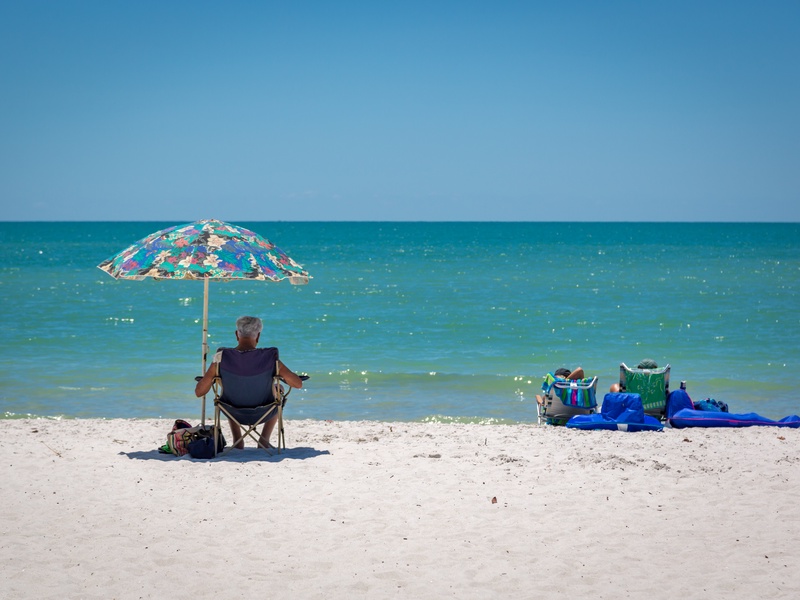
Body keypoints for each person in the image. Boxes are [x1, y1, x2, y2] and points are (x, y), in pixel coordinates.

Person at [195, 315, 303, 449]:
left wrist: (210, 376)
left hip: (232, 411)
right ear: (258, 336)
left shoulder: (221, 358)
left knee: (228, 389)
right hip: (264, 412)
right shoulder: (269, 358)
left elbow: (199, 392)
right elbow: (298, 384)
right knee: (278, 388)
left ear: (237, 334)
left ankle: (238, 440)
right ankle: (263, 440)